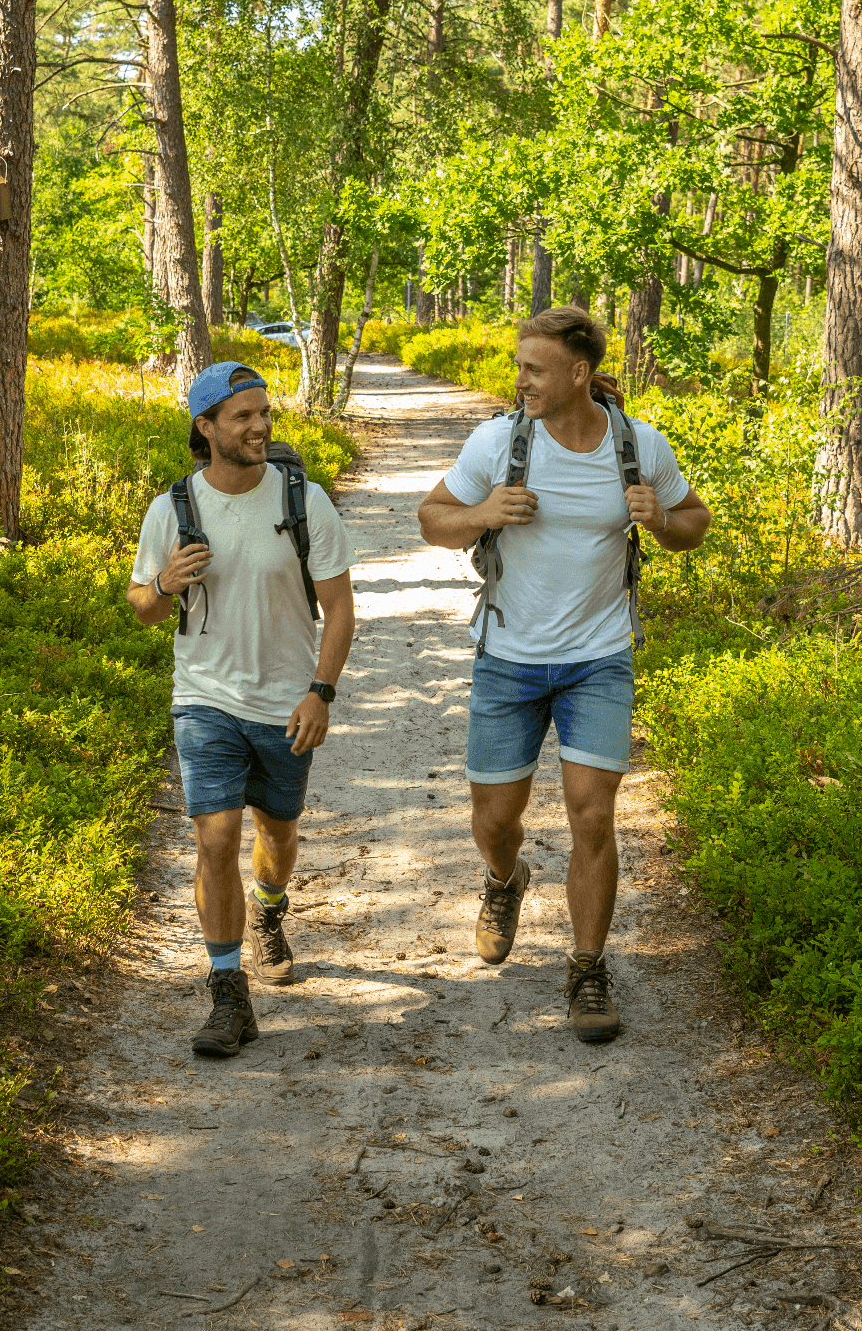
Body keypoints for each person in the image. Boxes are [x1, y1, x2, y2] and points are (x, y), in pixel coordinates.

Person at [417, 306, 711, 1043]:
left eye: (534, 369)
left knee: (592, 815)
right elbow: (431, 518)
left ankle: (586, 968)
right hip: (508, 658)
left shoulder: (639, 446)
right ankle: (504, 879)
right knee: (495, 820)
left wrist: (661, 519)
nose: (520, 381)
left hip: (599, 660)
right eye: (519, 366)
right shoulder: (498, 442)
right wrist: (484, 511)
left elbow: (695, 523)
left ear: (580, 373)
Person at [128, 361, 356, 1058]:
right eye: (243, 416)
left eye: (264, 414)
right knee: (215, 838)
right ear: (206, 428)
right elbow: (142, 607)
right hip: (205, 698)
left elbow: (341, 608)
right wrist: (163, 583)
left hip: (286, 703)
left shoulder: (304, 500)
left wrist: (320, 692)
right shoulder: (173, 509)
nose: (260, 427)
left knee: (277, 837)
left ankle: (270, 907)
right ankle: (228, 992)